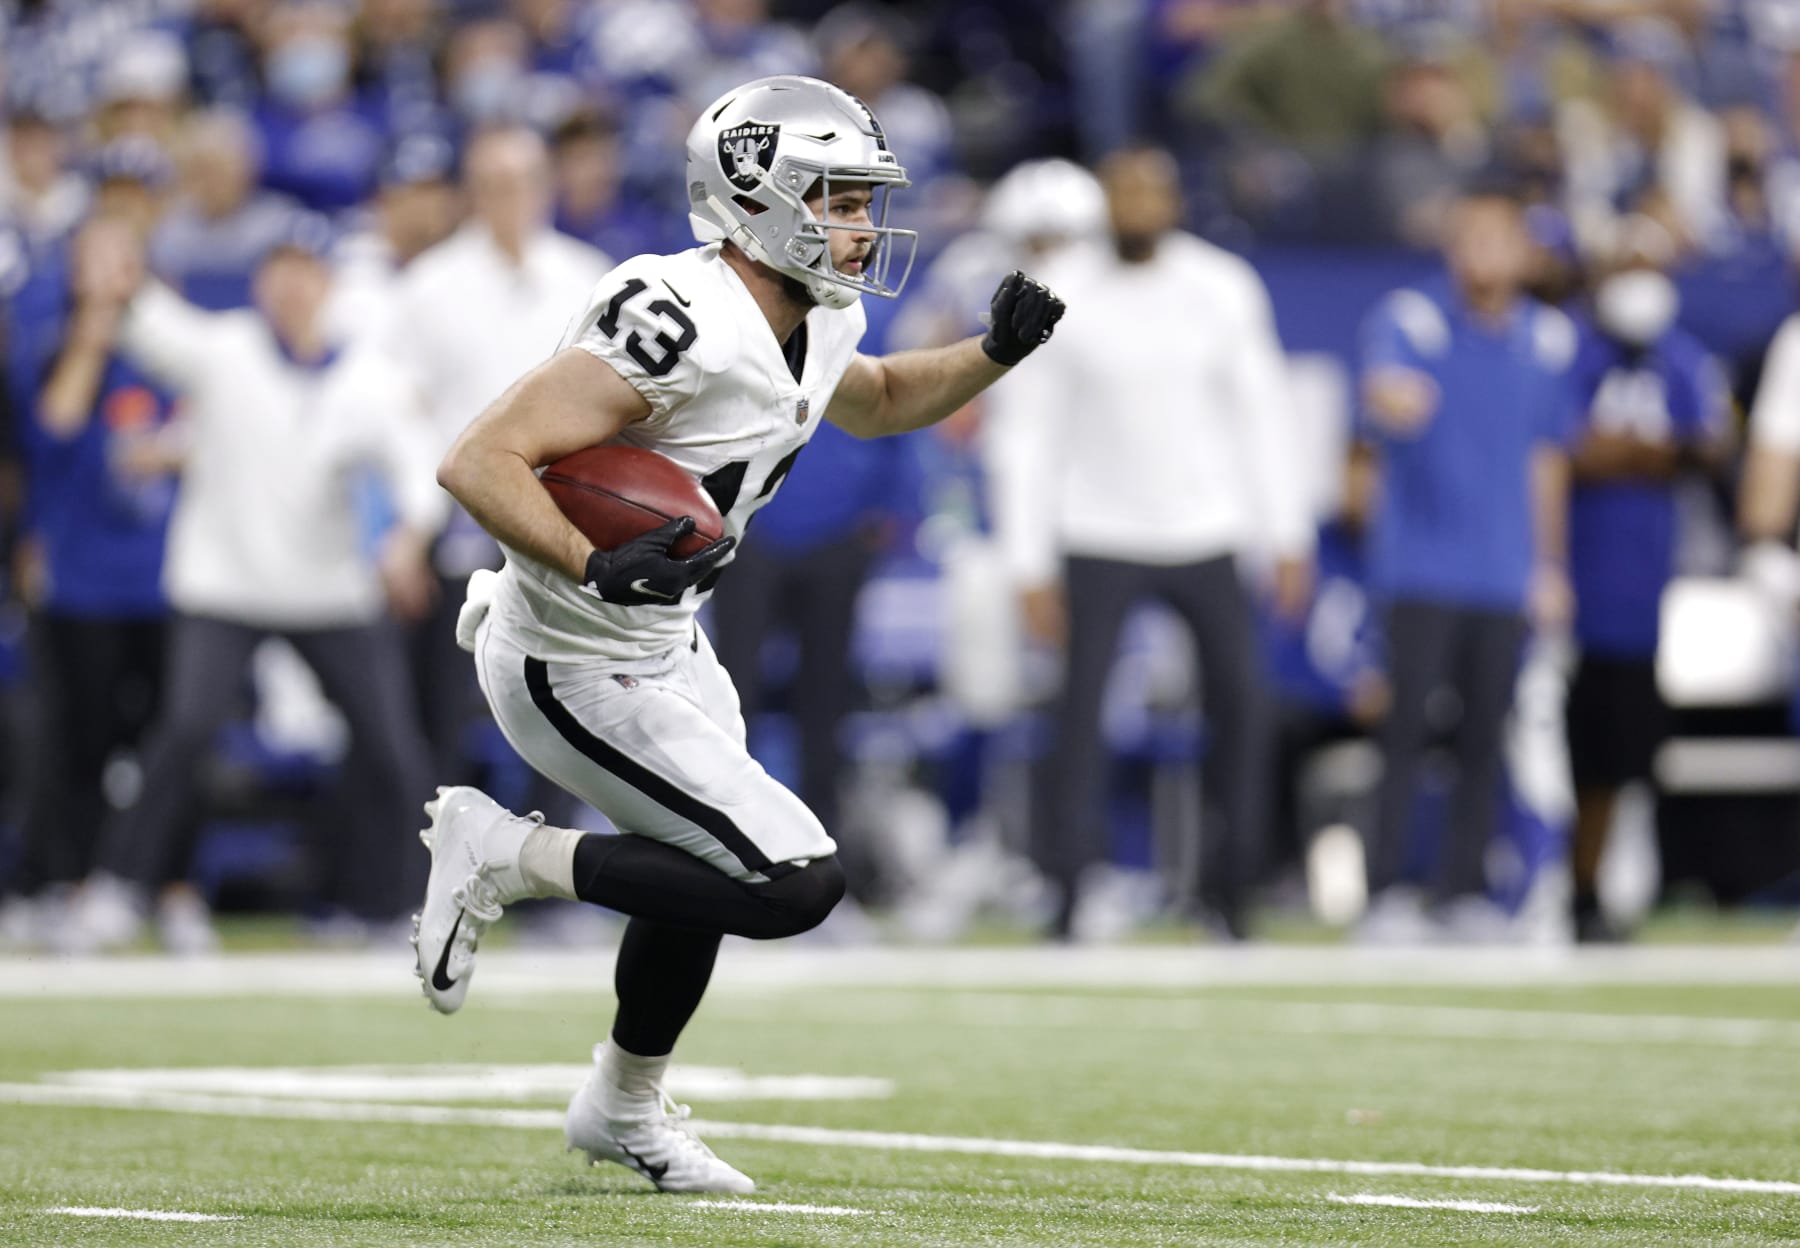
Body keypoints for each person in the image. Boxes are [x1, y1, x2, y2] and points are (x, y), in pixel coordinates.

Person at [414, 75, 1064, 1194]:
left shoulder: (816, 314)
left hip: (666, 646)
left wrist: (990, 353)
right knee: (793, 883)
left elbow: (882, 396)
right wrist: (590, 559)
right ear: (759, 199)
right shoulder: (676, 315)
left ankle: (622, 1105)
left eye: (865, 200)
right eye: (840, 199)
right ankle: (504, 852)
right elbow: (478, 459)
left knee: (704, 864)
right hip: (571, 655)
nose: (862, 225)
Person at [60, 217, 445, 952]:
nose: (292, 285)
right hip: (223, 587)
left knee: (394, 749)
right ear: (263, 282)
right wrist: (117, 276)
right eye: (278, 269)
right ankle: (116, 889)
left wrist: (407, 539)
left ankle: (397, 908)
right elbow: (152, 326)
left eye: (306, 270)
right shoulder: (226, 349)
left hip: (330, 591)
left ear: (328, 285)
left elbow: (415, 469)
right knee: (183, 733)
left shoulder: (370, 378)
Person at [987, 145, 1314, 941]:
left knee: (1241, 706)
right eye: (1122, 192)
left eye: (1151, 191)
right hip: (1095, 530)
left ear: (1174, 201)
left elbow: (1261, 414)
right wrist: (1025, 560)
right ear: (1103, 203)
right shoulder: (1058, 288)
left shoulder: (1222, 288)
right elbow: (1025, 433)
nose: (1137, 205)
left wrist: (1288, 532)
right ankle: (1069, 892)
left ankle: (1231, 895)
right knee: (1078, 718)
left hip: (1207, 528)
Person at [1354, 185, 1576, 940]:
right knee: (1406, 739)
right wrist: (1388, 399)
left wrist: (1549, 564)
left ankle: (1463, 894)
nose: (1482, 254)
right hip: (1419, 566)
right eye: (1469, 238)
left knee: (1487, 740)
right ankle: (1383, 896)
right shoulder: (1412, 320)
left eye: (1497, 238)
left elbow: (1546, 460)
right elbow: (1381, 389)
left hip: (1503, 570)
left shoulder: (1547, 340)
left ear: (1522, 252)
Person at [388, 125, 611, 783]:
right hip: (463, 518)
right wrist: (411, 521)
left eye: (521, 182)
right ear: (471, 194)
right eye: (491, 185)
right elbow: (404, 411)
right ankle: (437, 857)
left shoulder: (587, 276)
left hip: (563, 518)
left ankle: (557, 865)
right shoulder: (429, 287)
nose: (508, 199)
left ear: (545, 188)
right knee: (448, 699)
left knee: (566, 695)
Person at [1565, 234, 1728, 942]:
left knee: (1626, 756)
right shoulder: (1572, 351)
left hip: (1640, 598)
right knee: (1565, 758)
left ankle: (1606, 894)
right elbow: (1568, 447)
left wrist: (1623, 453)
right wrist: (1645, 454)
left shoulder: (1683, 358)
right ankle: (1556, 887)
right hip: (1563, 592)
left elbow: (1711, 443)